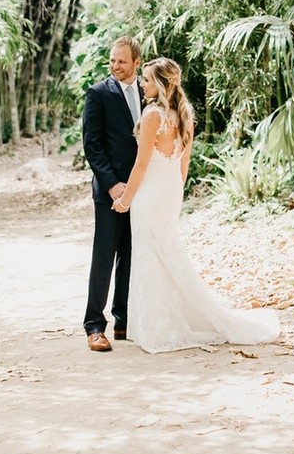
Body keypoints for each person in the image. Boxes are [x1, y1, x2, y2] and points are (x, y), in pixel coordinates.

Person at [112, 57, 280, 353]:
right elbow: (183, 162)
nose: (142, 83)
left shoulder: (152, 115)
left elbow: (140, 166)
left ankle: (158, 328)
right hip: (170, 188)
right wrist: (176, 194)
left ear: (162, 84)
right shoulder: (185, 113)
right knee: (165, 251)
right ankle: (171, 320)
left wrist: (125, 200)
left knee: (150, 255)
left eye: (148, 80)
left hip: (151, 191)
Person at [82, 36, 143, 352]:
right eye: (112, 60)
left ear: (136, 62)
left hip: (142, 191)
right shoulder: (98, 93)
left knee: (132, 256)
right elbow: (92, 144)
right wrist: (111, 184)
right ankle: (94, 326)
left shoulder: (149, 92)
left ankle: (123, 321)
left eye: (122, 61)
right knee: (104, 256)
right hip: (110, 191)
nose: (115, 66)